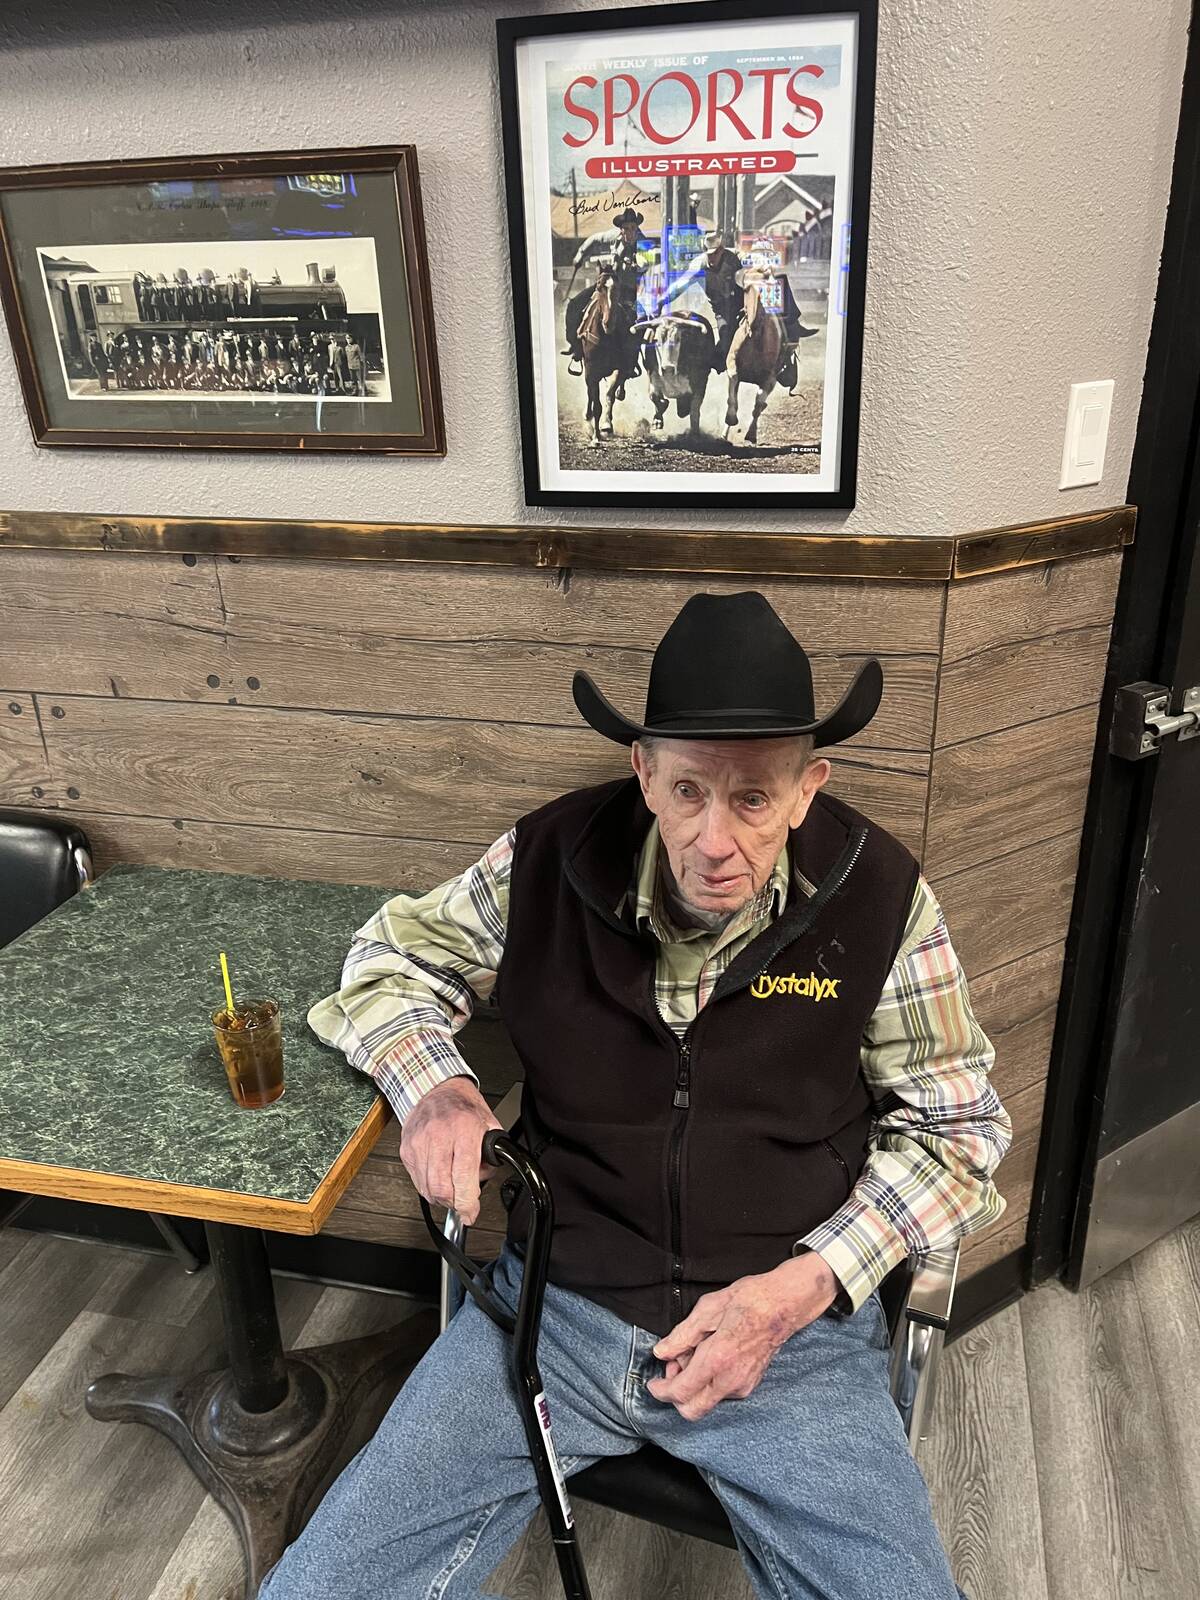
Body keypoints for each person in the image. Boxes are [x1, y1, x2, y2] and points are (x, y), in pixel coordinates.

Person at [260, 592, 1010, 1600]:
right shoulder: (547, 859)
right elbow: (386, 963)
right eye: (689, 788)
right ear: (644, 773)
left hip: (788, 1334)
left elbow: (959, 1131)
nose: (714, 838)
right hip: (551, 1310)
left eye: (753, 799)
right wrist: (434, 1085)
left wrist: (804, 1289)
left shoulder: (883, 898)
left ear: (807, 789)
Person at [562, 204, 652, 368]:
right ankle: (575, 345)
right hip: (608, 285)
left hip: (630, 289)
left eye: (633, 228)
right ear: (621, 229)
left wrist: (634, 265)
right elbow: (594, 239)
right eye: (626, 228)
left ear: (637, 228)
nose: (630, 232)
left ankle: (631, 360)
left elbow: (646, 263)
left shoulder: (644, 242)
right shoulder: (612, 236)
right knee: (574, 304)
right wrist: (580, 256)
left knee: (639, 320)